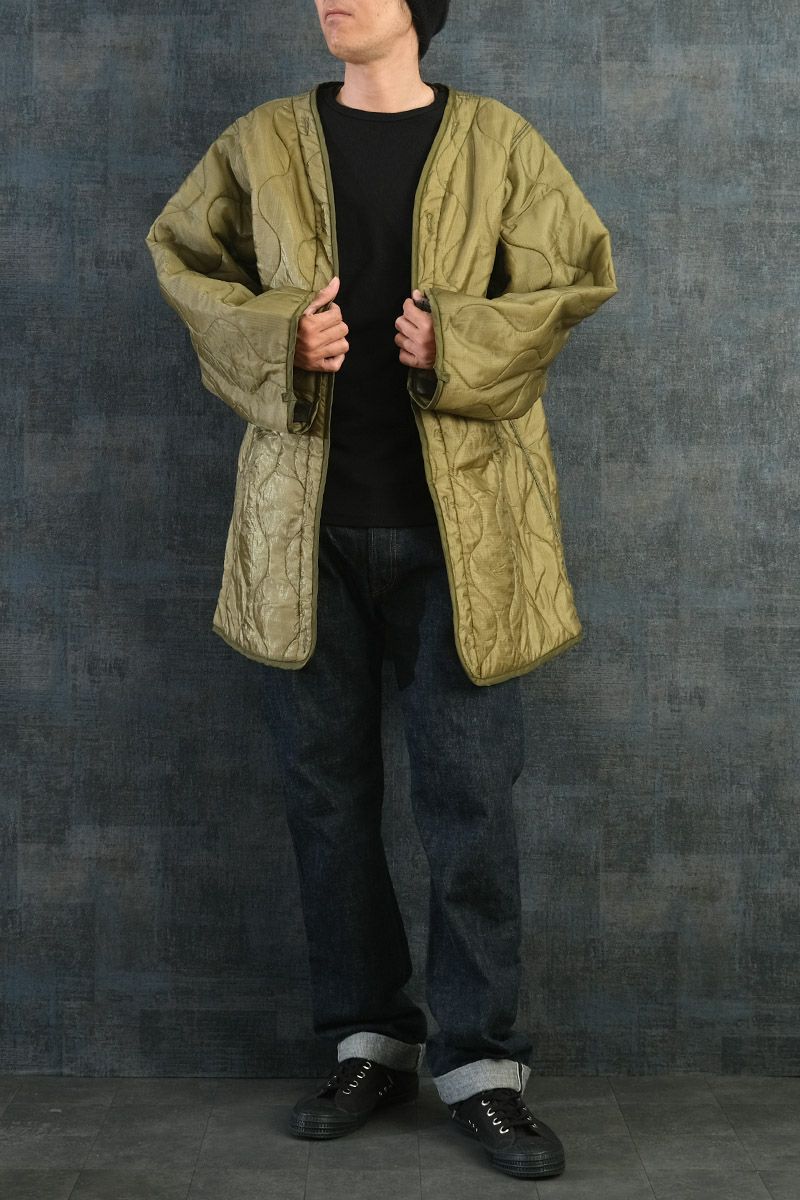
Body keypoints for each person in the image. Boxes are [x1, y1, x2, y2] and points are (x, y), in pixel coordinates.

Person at [144, 0, 618, 1180]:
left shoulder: (499, 141)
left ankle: (480, 1065)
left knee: (469, 806)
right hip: (299, 533)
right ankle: (368, 1039)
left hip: (467, 536)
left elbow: (575, 277)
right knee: (326, 803)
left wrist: (457, 341)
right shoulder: (260, 141)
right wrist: (276, 339)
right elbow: (181, 259)